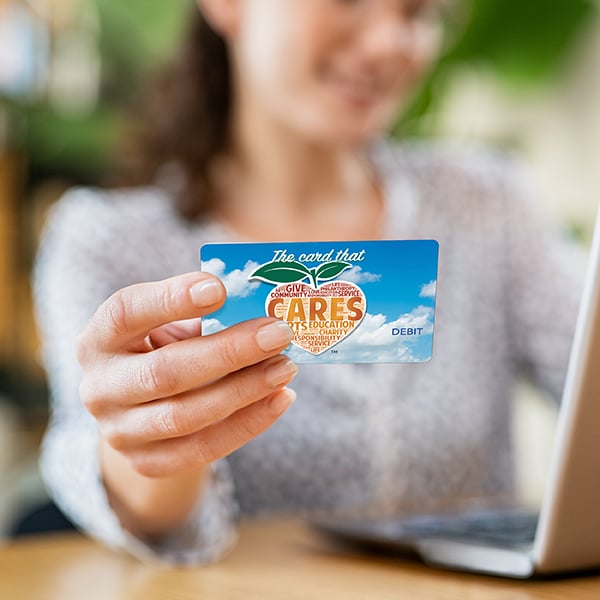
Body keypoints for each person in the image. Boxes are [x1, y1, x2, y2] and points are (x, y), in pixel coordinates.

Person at [33, 0, 583, 565]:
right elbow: (110, 482)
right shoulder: (109, 239)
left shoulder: (487, 204)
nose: (389, 43)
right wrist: (153, 438)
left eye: (418, 13)